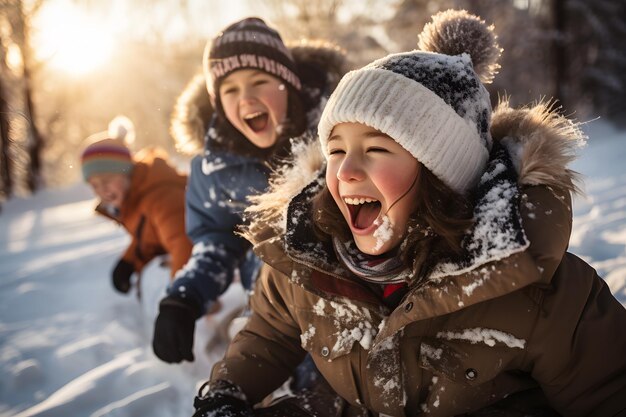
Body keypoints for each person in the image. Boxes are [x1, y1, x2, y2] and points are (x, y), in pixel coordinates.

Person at [192, 10, 626, 417]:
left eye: (376, 149)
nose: (345, 171)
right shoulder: (308, 258)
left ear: (443, 176)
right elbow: (266, 336)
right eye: (336, 151)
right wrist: (227, 390)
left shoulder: (534, 288)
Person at [152, 17, 349, 363]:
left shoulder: (340, 133)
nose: (247, 98)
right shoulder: (215, 168)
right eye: (230, 90)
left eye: (260, 81)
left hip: (352, 301)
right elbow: (217, 241)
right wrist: (183, 298)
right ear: (218, 103)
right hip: (276, 316)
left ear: (289, 84)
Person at [81, 117, 192, 294]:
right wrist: (128, 261)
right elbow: (148, 234)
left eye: (107, 180)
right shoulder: (134, 200)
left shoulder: (162, 198)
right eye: (94, 185)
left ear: (126, 174)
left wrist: (181, 299)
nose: (102, 190)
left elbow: (184, 244)